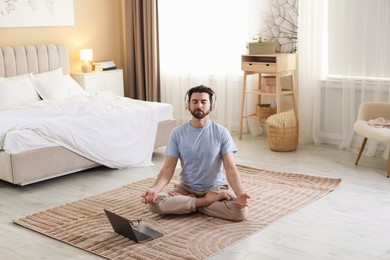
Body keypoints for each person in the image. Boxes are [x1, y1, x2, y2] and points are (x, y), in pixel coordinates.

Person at [141, 85, 250, 221]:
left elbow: (230, 167)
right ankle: (205, 202)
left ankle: (187, 203)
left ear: (212, 105)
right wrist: (154, 189)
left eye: (204, 102)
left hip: (214, 188)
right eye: (195, 101)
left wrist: (240, 193)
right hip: (186, 188)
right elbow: (168, 168)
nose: (199, 105)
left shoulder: (221, 132)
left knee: (240, 212)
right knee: (154, 205)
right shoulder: (177, 133)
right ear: (188, 105)